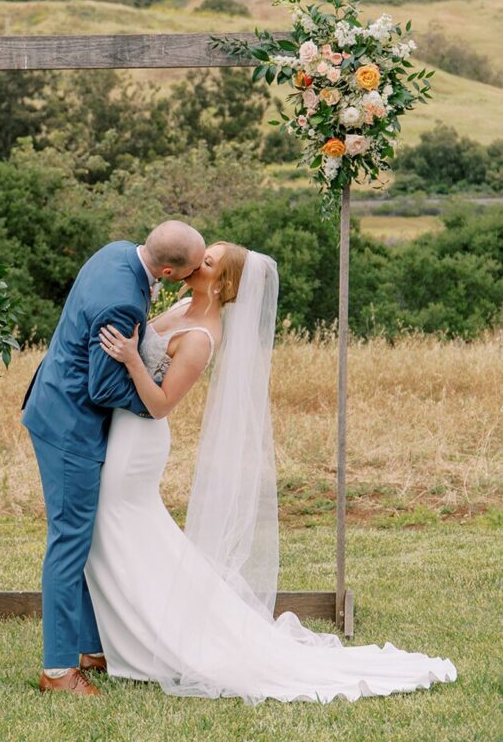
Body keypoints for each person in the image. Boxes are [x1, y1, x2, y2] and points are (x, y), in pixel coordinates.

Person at [82, 242, 458, 704]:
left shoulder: (203, 334)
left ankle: (144, 638)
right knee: (127, 532)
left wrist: (131, 359)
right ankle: (126, 634)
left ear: (224, 283)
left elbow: (161, 405)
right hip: (121, 428)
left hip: (140, 439)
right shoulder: (180, 304)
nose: (198, 259)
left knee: (115, 526)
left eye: (209, 261)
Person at [21, 220, 205, 696]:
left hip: (56, 402)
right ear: (166, 270)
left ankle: (89, 646)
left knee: (84, 533)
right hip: (70, 427)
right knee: (69, 539)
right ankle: (59, 670)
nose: (185, 281)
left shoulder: (117, 251)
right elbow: (101, 386)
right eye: (183, 274)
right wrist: (155, 403)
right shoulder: (123, 300)